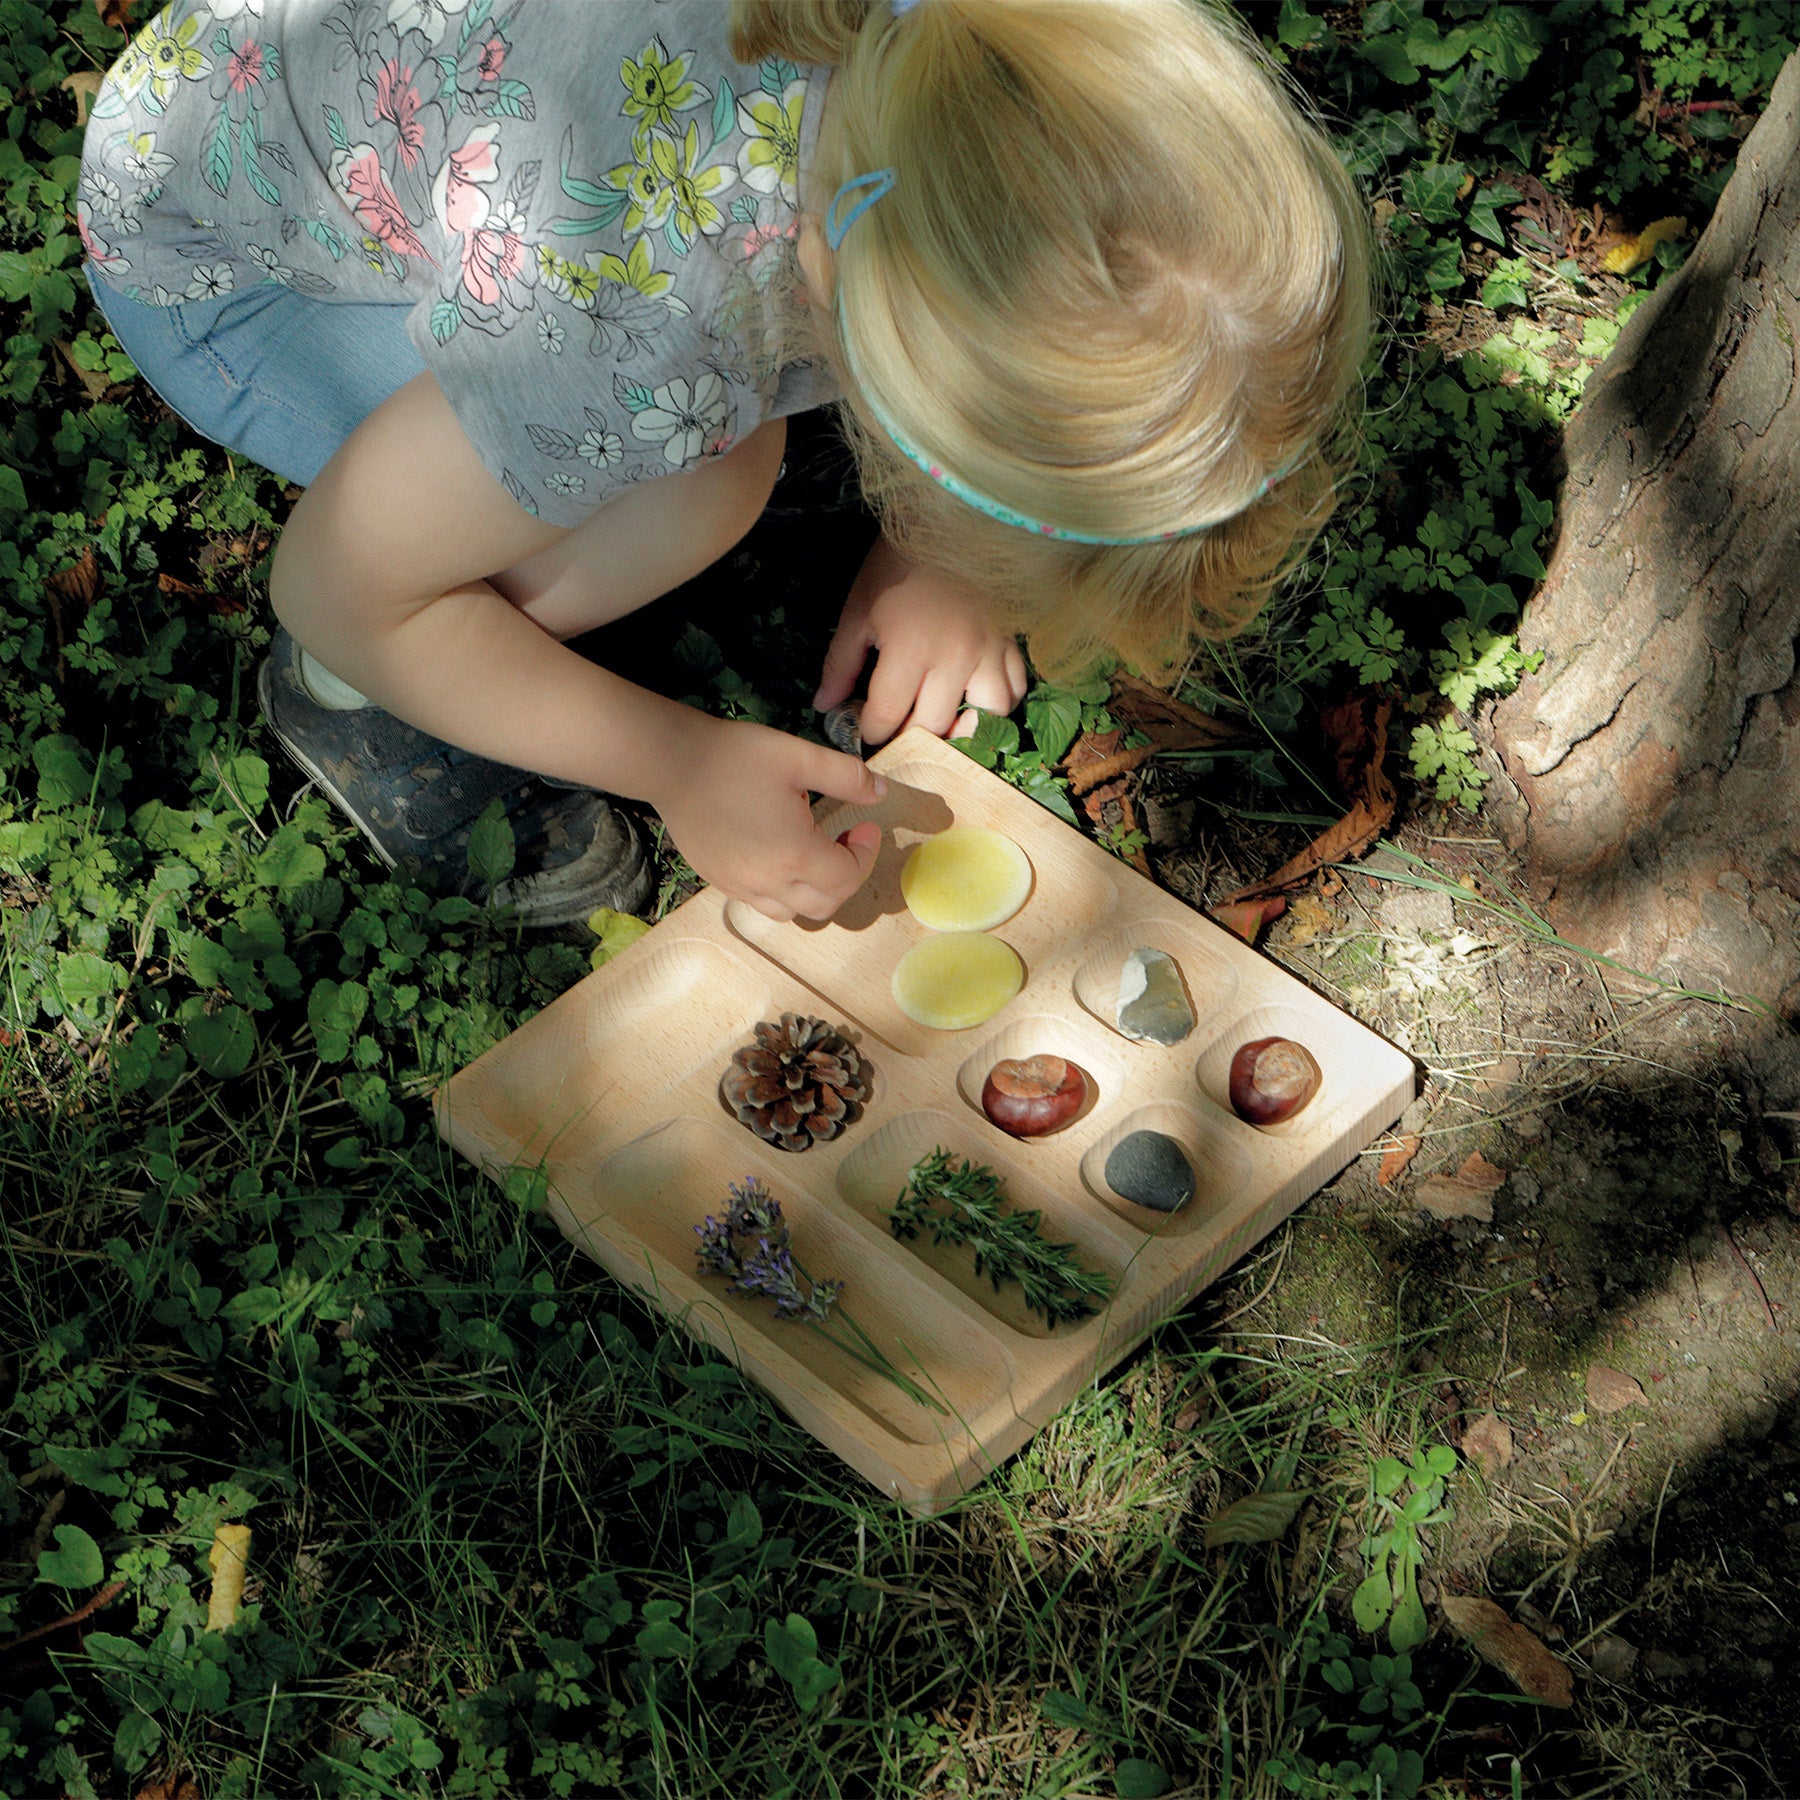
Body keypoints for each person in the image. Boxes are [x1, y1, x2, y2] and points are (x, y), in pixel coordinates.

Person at [77, 0, 1371, 926]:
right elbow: (338, 577)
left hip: (352, 91)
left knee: (712, 437)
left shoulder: (1003, 61)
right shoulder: (637, 325)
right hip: (233, 270)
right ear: (874, 353)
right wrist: (681, 765)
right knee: (710, 474)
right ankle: (352, 705)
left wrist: (939, 546)